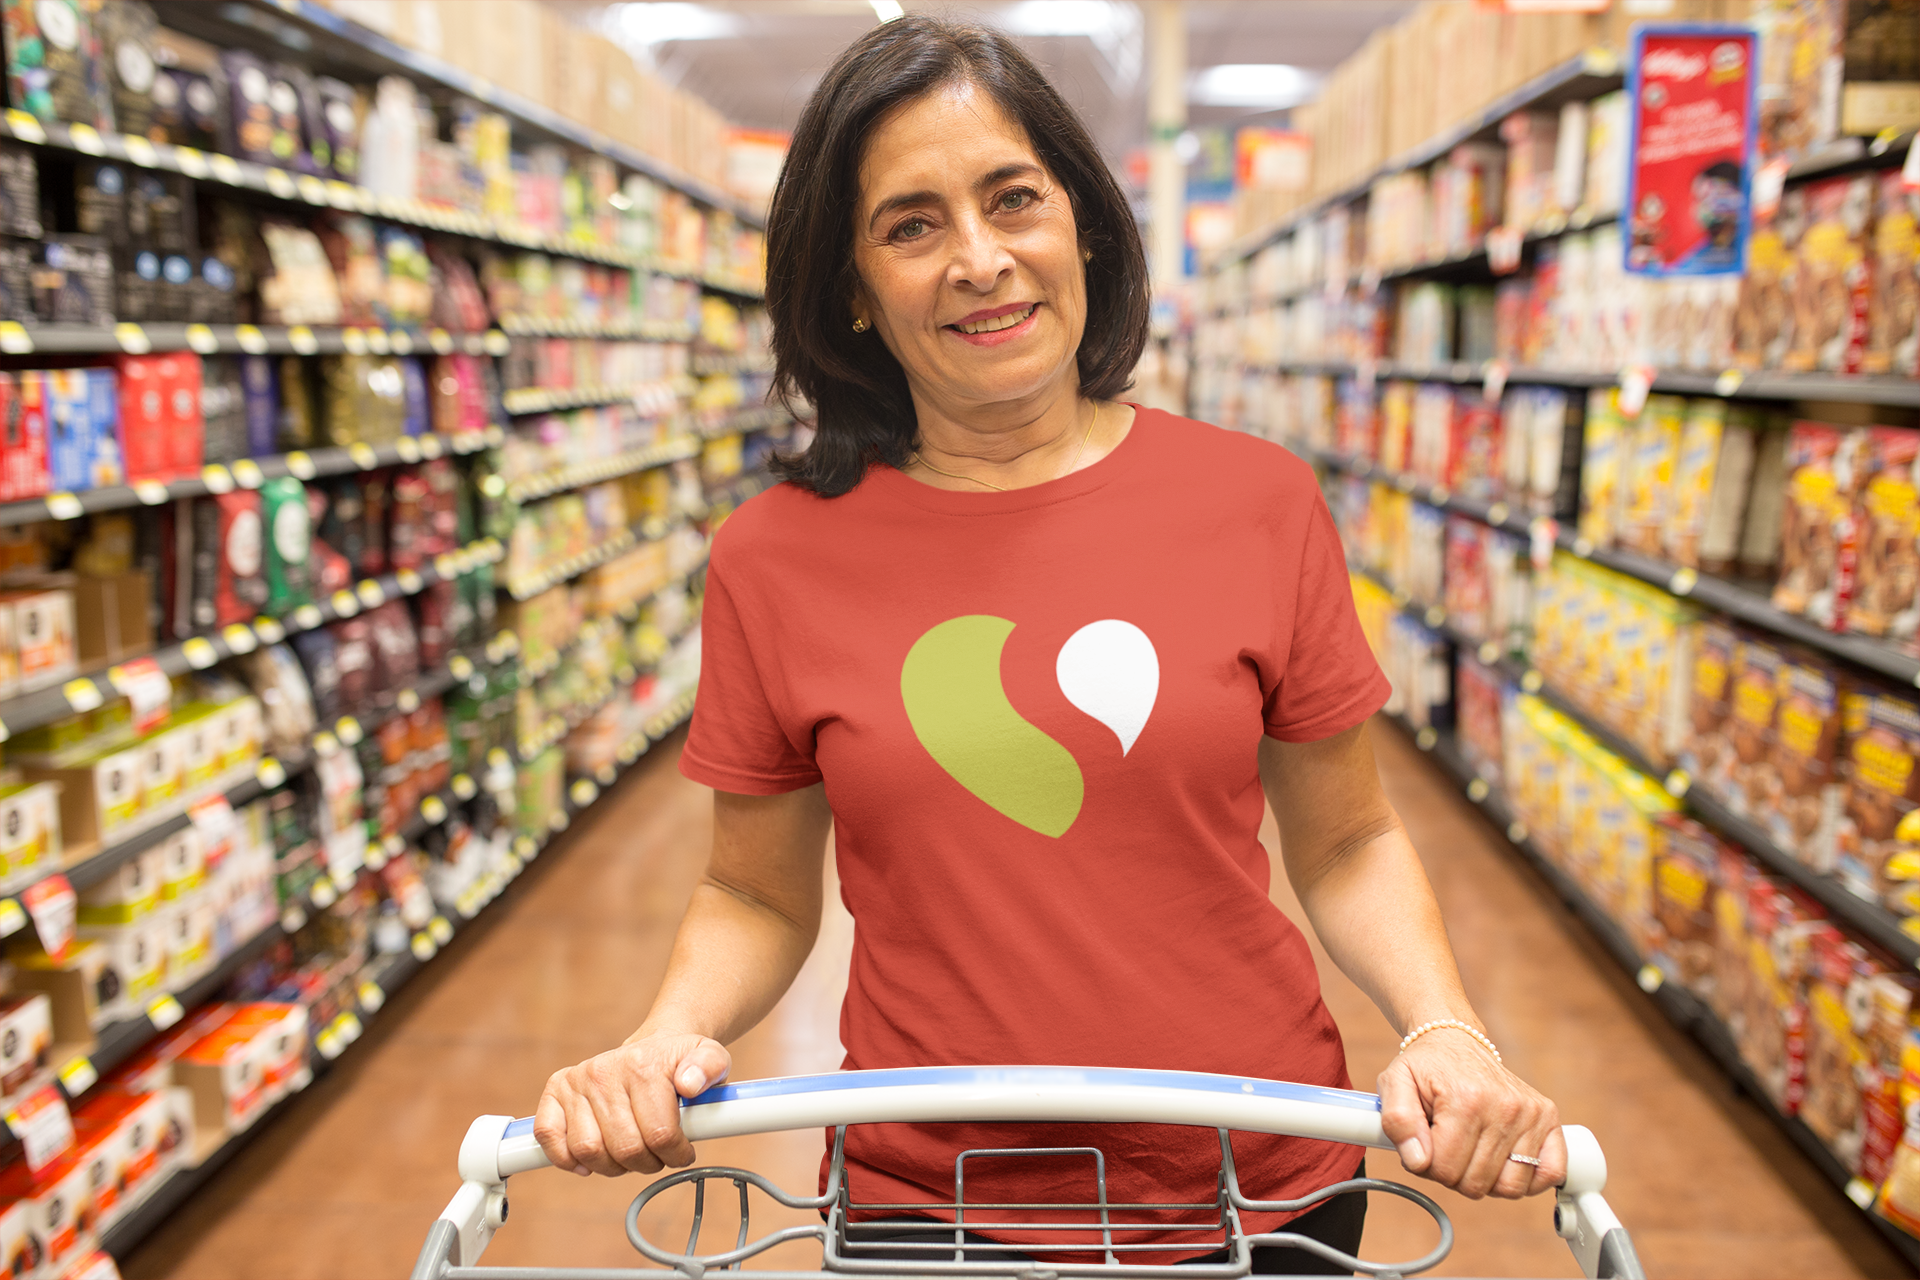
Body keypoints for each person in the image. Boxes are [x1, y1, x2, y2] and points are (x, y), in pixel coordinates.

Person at [534, 15, 1565, 1271]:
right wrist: (660, 1036)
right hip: (929, 1195)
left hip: (1261, 1175)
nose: (980, 260)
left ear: (1083, 224)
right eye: (910, 226)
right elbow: (753, 888)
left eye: (1013, 198)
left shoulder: (1257, 499)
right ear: (851, 291)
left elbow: (1348, 838)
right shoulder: (774, 556)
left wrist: (1446, 1024)